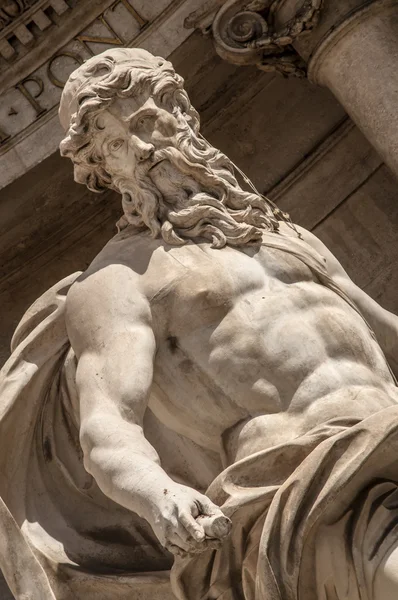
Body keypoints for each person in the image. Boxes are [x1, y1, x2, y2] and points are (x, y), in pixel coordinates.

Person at [1, 47, 398, 600]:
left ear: (182, 113)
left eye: (145, 122)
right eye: (115, 144)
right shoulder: (117, 282)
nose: (140, 148)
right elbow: (107, 426)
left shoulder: (284, 234)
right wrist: (159, 495)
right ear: (102, 171)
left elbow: (384, 330)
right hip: (311, 487)